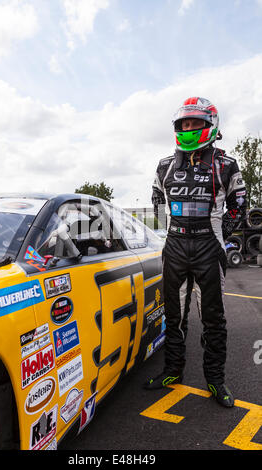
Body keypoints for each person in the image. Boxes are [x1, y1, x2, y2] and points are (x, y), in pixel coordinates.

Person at [143, 97, 247, 408]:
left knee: (213, 319)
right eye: (183, 124)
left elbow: (238, 206)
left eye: (194, 123)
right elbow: (157, 201)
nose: (188, 128)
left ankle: (215, 379)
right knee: (173, 316)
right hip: (174, 247)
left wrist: (218, 236)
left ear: (209, 125)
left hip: (208, 248)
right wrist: (169, 230)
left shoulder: (226, 164)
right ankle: (173, 371)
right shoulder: (164, 165)